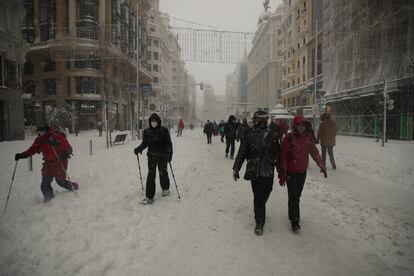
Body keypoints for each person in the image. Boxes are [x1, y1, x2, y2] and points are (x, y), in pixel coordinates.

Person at [232, 111, 280, 236]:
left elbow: (277, 153)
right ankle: (259, 222)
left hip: (268, 169)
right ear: (255, 120)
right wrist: (236, 168)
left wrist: (281, 170)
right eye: (260, 119)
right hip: (254, 169)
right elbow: (242, 152)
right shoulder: (249, 134)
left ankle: (260, 208)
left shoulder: (272, 134)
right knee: (258, 196)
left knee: (267, 190)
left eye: (264, 119)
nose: (262, 122)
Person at [279, 115, 327, 232]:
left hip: (302, 172)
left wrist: (321, 164)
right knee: (294, 196)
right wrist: (282, 173)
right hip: (291, 172)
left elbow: (314, 152)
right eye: (299, 125)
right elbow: (283, 156)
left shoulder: (307, 138)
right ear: (295, 126)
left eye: (303, 125)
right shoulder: (289, 138)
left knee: (297, 195)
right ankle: (294, 221)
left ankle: (293, 212)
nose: (301, 127)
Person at [14, 123, 78, 202]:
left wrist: (57, 144)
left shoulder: (55, 136)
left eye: (43, 131)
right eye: (40, 131)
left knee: (61, 182)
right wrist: (22, 155)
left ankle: (74, 186)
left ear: (47, 129)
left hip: (59, 162)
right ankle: (49, 200)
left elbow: (68, 148)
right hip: (48, 164)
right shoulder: (39, 140)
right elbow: (33, 149)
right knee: (45, 184)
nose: (41, 133)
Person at [134, 113, 173, 205]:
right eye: (152, 121)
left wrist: (169, 154)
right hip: (151, 156)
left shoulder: (164, 130)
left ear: (158, 121)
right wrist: (139, 149)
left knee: (163, 172)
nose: (153, 123)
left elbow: (168, 144)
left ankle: (165, 188)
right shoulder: (147, 131)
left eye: (155, 121)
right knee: (151, 175)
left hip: (162, 156)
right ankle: (149, 196)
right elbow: (145, 143)